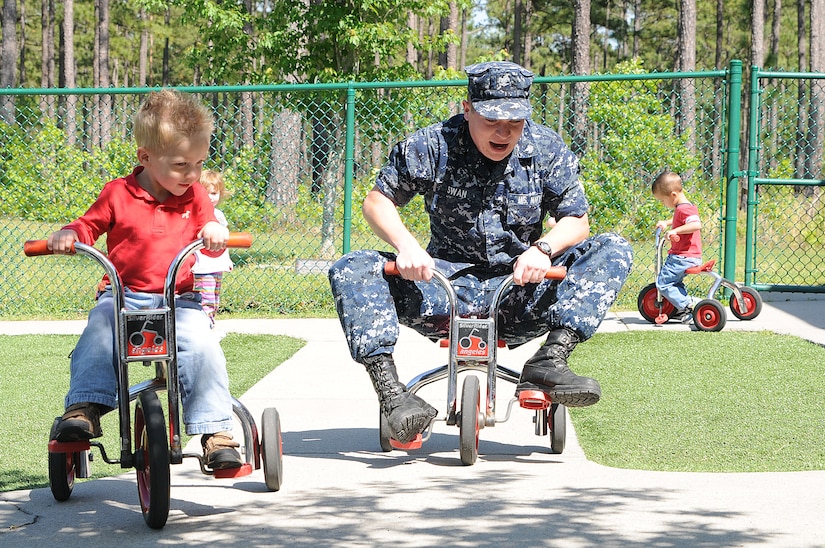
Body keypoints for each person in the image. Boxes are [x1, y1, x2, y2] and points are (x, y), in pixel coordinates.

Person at [328, 61, 633, 445]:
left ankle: (550, 359)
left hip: (520, 289)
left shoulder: (546, 147)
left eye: (515, 121)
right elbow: (377, 202)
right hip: (441, 288)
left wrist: (543, 249)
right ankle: (393, 395)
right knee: (351, 267)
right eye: (492, 119)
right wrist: (407, 246)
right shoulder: (432, 144)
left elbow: (576, 220)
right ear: (468, 108)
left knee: (613, 248)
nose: (503, 131)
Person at [46, 89, 243, 470]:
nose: (192, 175)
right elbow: (88, 225)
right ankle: (84, 407)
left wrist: (215, 237)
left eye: (199, 164)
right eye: (182, 164)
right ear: (146, 157)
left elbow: (211, 238)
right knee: (100, 329)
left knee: (202, 342)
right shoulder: (118, 194)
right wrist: (71, 234)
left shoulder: (196, 196)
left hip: (178, 300)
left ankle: (215, 432)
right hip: (123, 297)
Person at [652, 170, 703, 323]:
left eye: (662, 200)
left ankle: (688, 306)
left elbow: (695, 224)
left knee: (663, 282)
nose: (663, 204)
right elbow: (679, 219)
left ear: (673, 195)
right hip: (686, 256)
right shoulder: (682, 208)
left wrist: (674, 230)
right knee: (674, 282)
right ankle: (680, 307)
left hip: (683, 257)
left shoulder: (684, 208)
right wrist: (667, 223)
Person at [193, 169, 234, 330]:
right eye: (206, 193)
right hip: (202, 267)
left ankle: (210, 322)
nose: (210, 197)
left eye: (214, 193)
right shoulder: (196, 214)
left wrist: (226, 261)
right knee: (206, 299)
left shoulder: (219, 215)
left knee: (215, 298)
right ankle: (205, 326)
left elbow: (223, 242)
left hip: (216, 267)